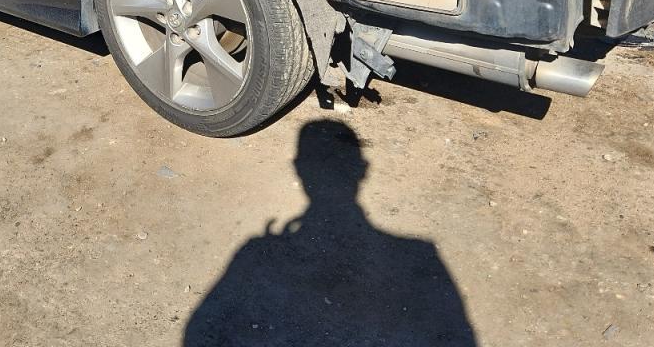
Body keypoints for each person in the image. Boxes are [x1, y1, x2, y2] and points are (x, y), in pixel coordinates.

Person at [184, 119, 477, 346]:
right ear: (364, 170)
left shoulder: (253, 253)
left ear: (297, 168)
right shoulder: (421, 255)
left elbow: (195, 332)